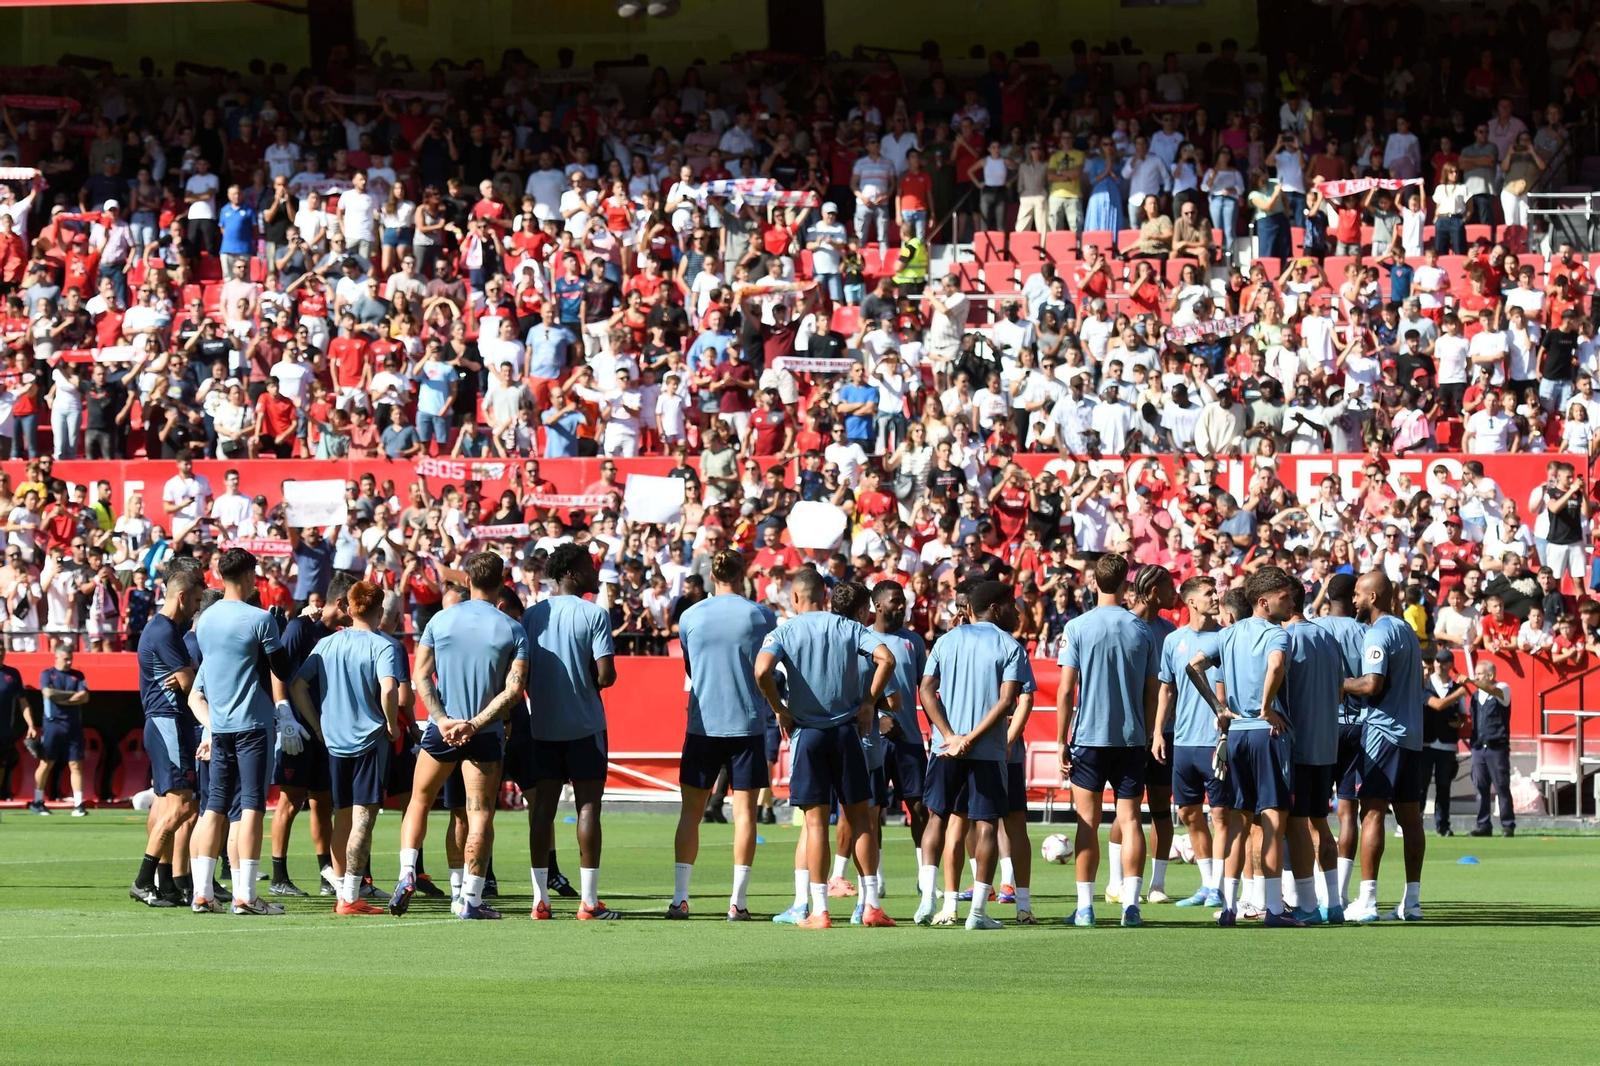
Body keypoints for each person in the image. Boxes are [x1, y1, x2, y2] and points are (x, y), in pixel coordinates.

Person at [390, 551, 529, 920]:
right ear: (502, 583)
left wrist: (442, 719)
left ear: (467, 581)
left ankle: (406, 873)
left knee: (419, 801)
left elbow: (419, 675)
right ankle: (470, 898)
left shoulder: (440, 619)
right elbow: (514, 692)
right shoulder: (513, 628)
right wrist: (475, 723)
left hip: (442, 728)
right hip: (484, 732)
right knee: (480, 813)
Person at [754, 567, 895, 930]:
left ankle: (819, 910)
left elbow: (761, 670)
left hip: (809, 735)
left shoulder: (785, 630)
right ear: (826, 596)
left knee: (815, 824)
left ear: (796, 597)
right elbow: (886, 659)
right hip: (847, 732)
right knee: (862, 821)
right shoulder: (849, 628)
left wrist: (779, 708)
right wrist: (868, 702)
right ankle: (872, 906)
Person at [1186, 565, 1302, 927]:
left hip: (1235, 735)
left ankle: (1229, 906)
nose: (1291, 601)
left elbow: (1193, 666)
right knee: (1272, 821)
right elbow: (1277, 664)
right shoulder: (1276, 635)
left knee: (1239, 823)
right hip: (1265, 734)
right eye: (1285, 597)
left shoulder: (1229, 634)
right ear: (1264, 602)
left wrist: (1219, 708)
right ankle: (1273, 910)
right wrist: (1267, 707)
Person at [186, 547, 294, 915]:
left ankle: (202, 892)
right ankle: (246, 895)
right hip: (252, 723)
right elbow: (282, 668)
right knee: (251, 806)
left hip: (219, 725)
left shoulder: (205, 620)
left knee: (213, 806)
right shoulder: (260, 618)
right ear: (249, 576)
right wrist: (282, 629)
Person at [669, 549, 775, 921]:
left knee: (690, 813)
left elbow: (689, 663)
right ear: (743, 573)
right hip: (746, 723)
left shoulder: (690, 615)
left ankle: (680, 898)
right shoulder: (761, 615)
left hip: (703, 724)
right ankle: (738, 902)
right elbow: (769, 667)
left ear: (713, 576)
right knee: (745, 815)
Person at [1054, 553, 1159, 927]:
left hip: (1089, 737)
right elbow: (1152, 692)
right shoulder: (1142, 629)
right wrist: (1147, 732)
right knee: (1130, 821)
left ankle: (1085, 908)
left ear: (1093, 583)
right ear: (1125, 582)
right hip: (1130, 739)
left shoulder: (1078, 626)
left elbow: (1066, 691)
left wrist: (1060, 739)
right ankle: (1131, 905)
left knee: (1087, 821)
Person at [916, 579, 1026, 931]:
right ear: (995, 607)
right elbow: (1008, 700)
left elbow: (926, 690)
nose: (1016, 611)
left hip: (945, 750)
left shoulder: (945, 641)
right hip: (988, 752)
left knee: (937, 819)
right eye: (1011, 604)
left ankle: (930, 903)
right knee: (987, 826)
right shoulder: (1010, 646)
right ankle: (977, 913)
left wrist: (950, 736)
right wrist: (972, 738)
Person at [288, 580, 402, 915]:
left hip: (334, 742)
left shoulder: (328, 644)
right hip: (368, 741)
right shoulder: (383, 646)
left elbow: (297, 686)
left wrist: (317, 725)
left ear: (350, 609)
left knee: (343, 818)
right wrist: (393, 724)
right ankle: (350, 894)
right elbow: (388, 690)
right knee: (364, 819)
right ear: (379, 612)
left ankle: (343, 889)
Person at [520, 542, 621, 920]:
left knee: (542, 811)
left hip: (543, 726)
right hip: (585, 725)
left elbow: (522, 672)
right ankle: (589, 903)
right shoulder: (594, 615)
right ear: (573, 573)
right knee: (588, 807)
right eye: (590, 567)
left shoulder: (532, 616)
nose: (596, 572)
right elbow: (606, 675)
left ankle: (540, 901)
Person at [1343, 570, 1427, 923]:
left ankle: (1367, 900)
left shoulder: (1377, 633)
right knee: (1411, 818)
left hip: (1383, 732)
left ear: (1373, 597)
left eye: (1359, 595)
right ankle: (1412, 902)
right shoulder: (1407, 628)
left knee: (1372, 811)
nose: (1354, 601)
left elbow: (1373, 683)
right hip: (1411, 735)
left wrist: (1340, 683)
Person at [266, 572, 354, 899]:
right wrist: (284, 713)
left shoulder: (337, 633)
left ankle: (325, 874)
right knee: (290, 801)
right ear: (341, 601)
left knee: (323, 802)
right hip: (297, 730)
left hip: (323, 731)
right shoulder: (300, 628)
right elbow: (279, 670)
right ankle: (278, 874)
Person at [130, 567, 204, 907]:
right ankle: (143, 881)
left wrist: (189, 673)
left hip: (166, 723)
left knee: (171, 806)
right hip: (168, 722)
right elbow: (188, 682)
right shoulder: (165, 631)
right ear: (181, 596)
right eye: (196, 599)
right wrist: (191, 675)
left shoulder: (164, 629)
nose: (197, 606)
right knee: (182, 806)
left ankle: (167, 884)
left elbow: (186, 674)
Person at [1155, 575, 1225, 909]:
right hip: (1184, 739)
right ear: (1191, 602)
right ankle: (1207, 883)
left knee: (1222, 815)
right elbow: (1166, 688)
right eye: (1209, 593)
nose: (1216, 596)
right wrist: (1157, 732)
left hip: (1218, 740)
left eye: (1216, 591)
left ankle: (1223, 885)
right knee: (1189, 813)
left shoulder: (1227, 637)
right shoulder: (1174, 641)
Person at [1281, 580, 1347, 924]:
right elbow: (1338, 691)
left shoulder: (1286, 639)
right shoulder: (1328, 637)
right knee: (1320, 823)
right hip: (1326, 743)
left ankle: (1305, 903)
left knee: (1296, 825)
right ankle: (1333, 902)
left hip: (1299, 746)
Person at [1312, 572, 1369, 909]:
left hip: (1321, 726)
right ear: (1353, 598)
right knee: (1348, 811)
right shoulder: (1365, 633)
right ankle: (1342, 892)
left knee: (1312, 813)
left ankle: (1318, 889)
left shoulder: (1313, 629)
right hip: (1357, 726)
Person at [872, 580, 930, 907]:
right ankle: (875, 879)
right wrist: (879, 716)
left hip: (909, 738)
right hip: (874, 740)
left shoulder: (913, 642)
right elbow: (854, 689)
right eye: (895, 601)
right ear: (878, 605)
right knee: (873, 810)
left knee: (919, 808)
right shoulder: (862, 638)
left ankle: (926, 877)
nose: (901, 607)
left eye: (903, 602)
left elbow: (923, 688)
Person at [1465, 659, 1514, 838]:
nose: (1476, 677)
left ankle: (1508, 824)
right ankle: (1483, 824)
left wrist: (1471, 682)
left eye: (1479, 674)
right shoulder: (1476, 696)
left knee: (1502, 786)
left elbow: (1494, 691)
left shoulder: (1503, 688)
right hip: (1479, 747)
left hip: (1496, 747)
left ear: (1490, 675)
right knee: (1481, 787)